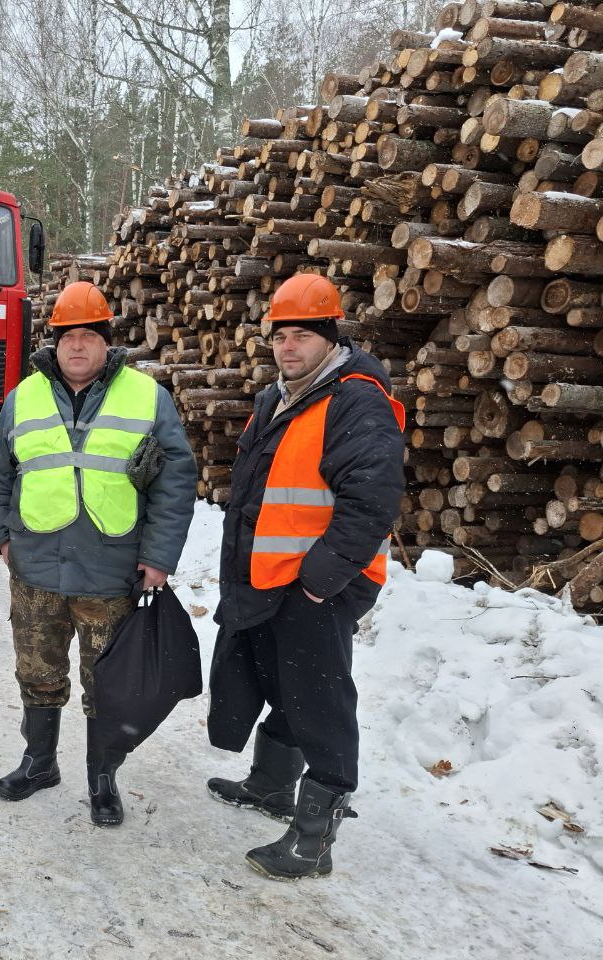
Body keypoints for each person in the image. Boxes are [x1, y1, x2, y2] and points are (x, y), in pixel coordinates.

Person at [206, 272, 405, 880]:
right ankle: (271, 785)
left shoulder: (355, 399)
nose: (287, 347)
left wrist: (320, 579)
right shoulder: (280, 399)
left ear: (330, 337)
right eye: (279, 336)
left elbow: (372, 499)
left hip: (319, 583)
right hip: (274, 577)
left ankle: (314, 840)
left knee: (320, 701)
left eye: (301, 336)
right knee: (278, 680)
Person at [0, 281, 196, 826]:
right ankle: (39, 763)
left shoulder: (147, 396)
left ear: (107, 341)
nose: (77, 346)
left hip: (111, 569)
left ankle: (103, 779)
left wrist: (159, 557)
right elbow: (0, 474)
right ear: (54, 343)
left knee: (107, 684)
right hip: (35, 566)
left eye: (88, 336)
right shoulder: (22, 397)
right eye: (67, 337)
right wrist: (2, 535)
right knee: (37, 670)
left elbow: (175, 483)